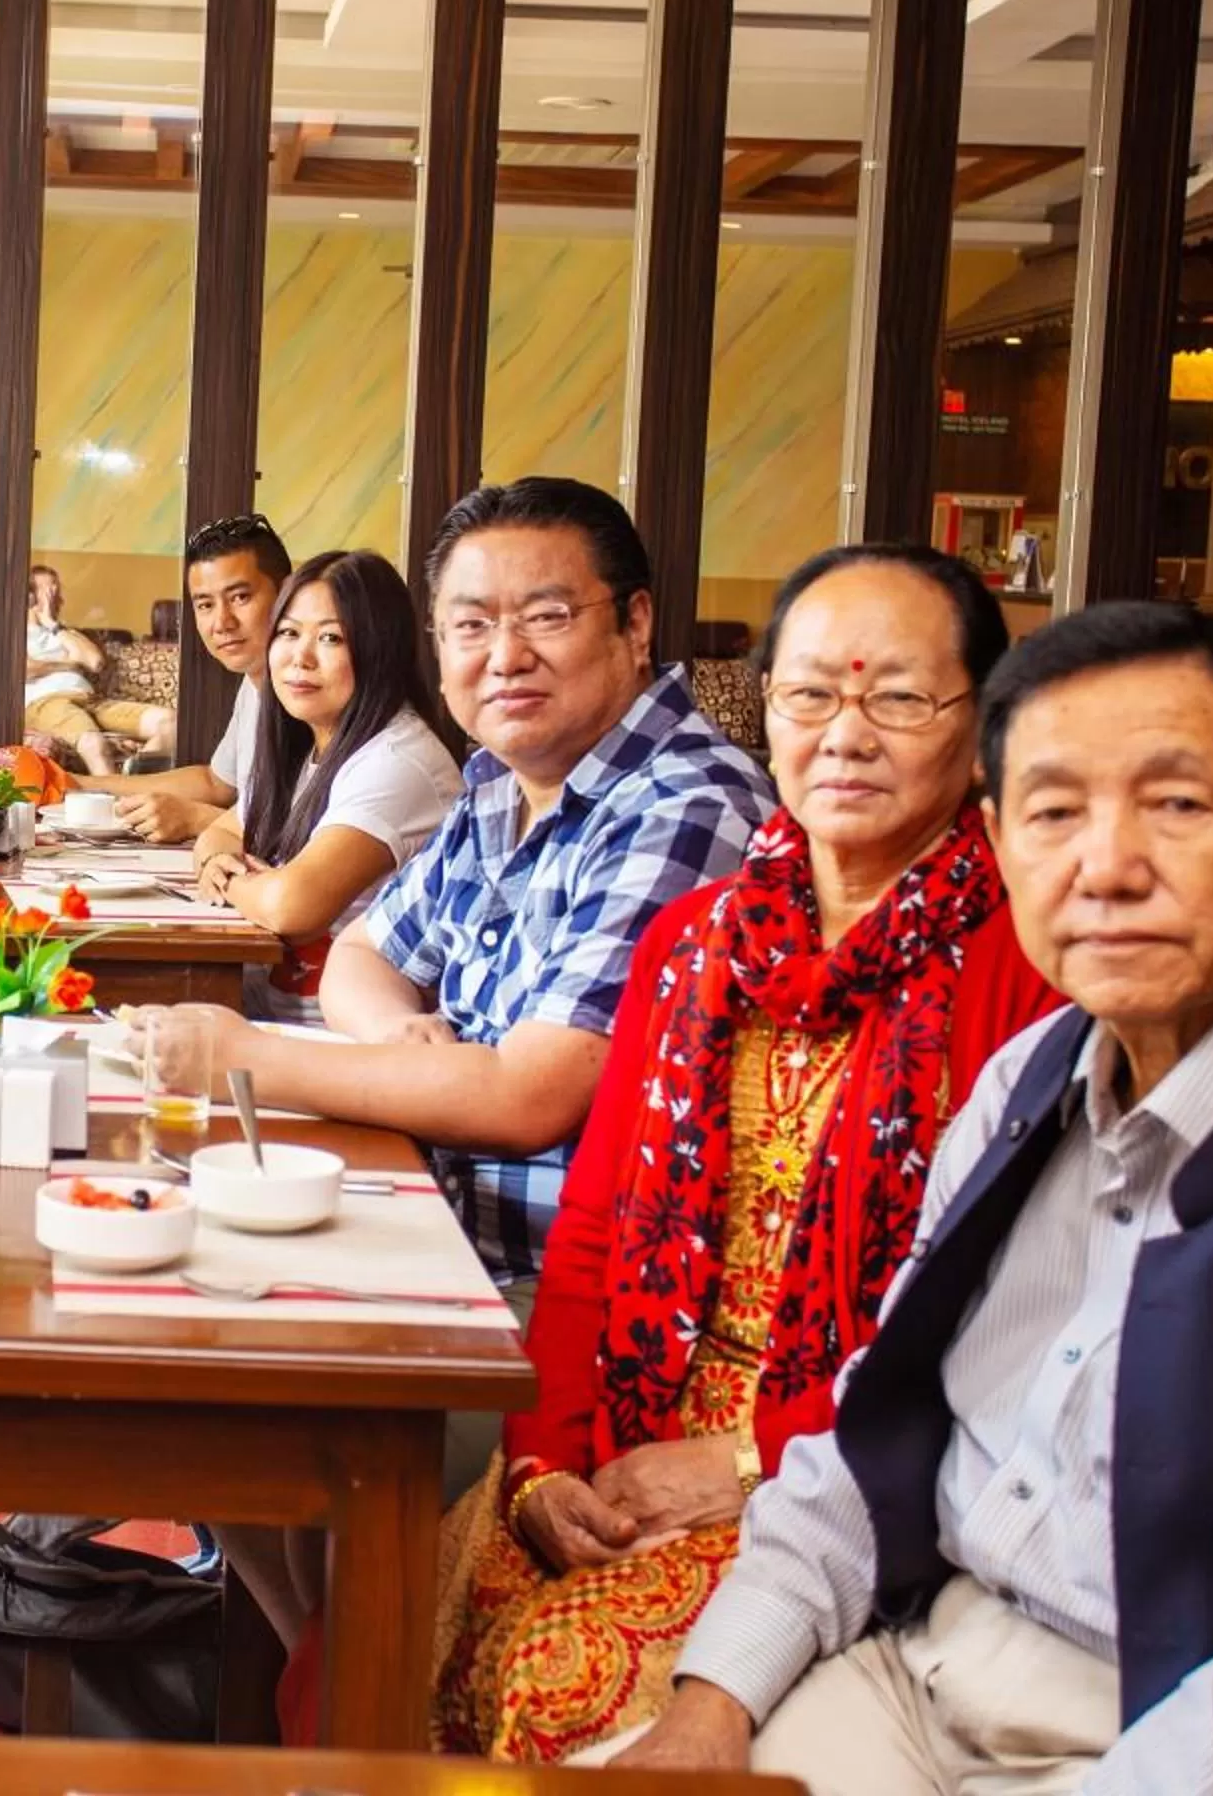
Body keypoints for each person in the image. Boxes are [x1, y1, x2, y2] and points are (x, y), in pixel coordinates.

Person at [623, 602, 1213, 1795]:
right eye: (1055, 811)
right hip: (916, 1667)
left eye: (1176, 804)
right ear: (999, 840)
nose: (1106, 866)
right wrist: (717, 1697)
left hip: (1175, 1731)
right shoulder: (1032, 1078)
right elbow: (876, 1433)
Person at [428, 544, 1059, 1761]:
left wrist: (742, 1459)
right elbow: (596, 1234)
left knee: (553, 1680)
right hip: (623, 1429)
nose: (846, 733)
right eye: (810, 694)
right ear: (765, 709)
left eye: (899, 697)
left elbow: (995, 1319)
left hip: (848, 1472)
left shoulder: (1026, 969)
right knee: (390, 1606)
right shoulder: (698, 941)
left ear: (980, 726)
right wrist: (545, 1457)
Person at [136, 480, 773, 1321]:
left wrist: (244, 1058)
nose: (503, 655)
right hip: (436, 1223)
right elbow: (363, 955)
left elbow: (528, 1097)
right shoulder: (501, 788)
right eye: (471, 625)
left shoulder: (687, 807)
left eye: (546, 616)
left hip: (563, 1303)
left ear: (636, 621)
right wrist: (399, 1035)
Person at [188, 549, 462, 1023]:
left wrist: (230, 878)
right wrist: (219, 860)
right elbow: (220, 833)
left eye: (331, 637)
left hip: (345, 1047)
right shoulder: (305, 746)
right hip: (267, 1014)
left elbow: (292, 908)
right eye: (289, 633)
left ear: (379, 650)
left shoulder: (398, 761)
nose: (300, 657)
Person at [72, 512, 294, 841]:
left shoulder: (309, 699)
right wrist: (76, 784)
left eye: (240, 597)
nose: (222, 623)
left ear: (287, 594)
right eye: (205, 605)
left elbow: (311, 830)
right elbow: (216, 783)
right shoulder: (254, 681)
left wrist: (200, 820)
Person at [22, 563, 176, 776]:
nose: (60, 599)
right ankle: (115, 805)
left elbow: (95, 662)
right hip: (47, 702)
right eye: (51, 591)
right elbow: (25, 669)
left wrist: (52, 625)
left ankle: (130, 781)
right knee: (95, 744)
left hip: (93, 701)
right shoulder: (16, 631)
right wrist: (69, 664)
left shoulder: (64, 632)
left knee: (171, 722)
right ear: (29, 597)